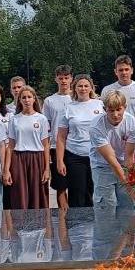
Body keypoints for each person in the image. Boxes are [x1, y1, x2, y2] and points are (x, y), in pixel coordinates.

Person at [89, 90, 135, 207]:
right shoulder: (96, 126)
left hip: (124, 164)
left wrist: (131, 183)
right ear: (105, 109)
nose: (115, 114)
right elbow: (111, 159)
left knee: (127, 203)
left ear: (125, 107)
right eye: (111, 110)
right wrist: (129, 188)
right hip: (102, 166)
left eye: (119, 109)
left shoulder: (133, 122)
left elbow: (129, 156)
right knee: (107, 203)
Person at [57, 75, 104, 207]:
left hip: (97, 155)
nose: (83, 88)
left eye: (86, 86)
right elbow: (61, 137)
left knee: (95, 193)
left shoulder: (100, 105)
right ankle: (77, 220)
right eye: (80, 86)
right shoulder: (68, 108)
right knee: (77, 193)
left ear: (91, 88)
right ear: (75, 88)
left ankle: (96, 220)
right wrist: (60, 161)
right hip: (75, 156)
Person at [5, 85, 51, 209]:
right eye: (23, 97)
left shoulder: (41, 119)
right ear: (19, 100)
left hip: (37, 158)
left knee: (37, 194)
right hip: (19, 158)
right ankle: (20, 220)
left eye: (29, 97)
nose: (26, 100)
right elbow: (10, 146)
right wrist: (6, 170)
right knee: (20, 194)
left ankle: (38, 220)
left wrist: (47, 169)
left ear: (34, 99)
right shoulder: (14, 119)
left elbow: (46, 145)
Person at [42, 65, 73, 210]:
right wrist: (47, 149)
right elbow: (46, 127)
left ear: (71, 79)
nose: (64, 81)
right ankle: (63, 215)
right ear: (56, 79)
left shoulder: (77, 97)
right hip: (56, 146)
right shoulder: (49, 101)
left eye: (66, 78)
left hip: (75, 146)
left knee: (76, 183)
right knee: (61, 184)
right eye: (61, 78)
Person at [100, 55, 135, 136]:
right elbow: (103, 115)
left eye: (126, 69)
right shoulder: (107, 90)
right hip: (114, 136)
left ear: (132, 70)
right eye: (120, 70)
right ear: (115, 71)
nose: (124, 73)